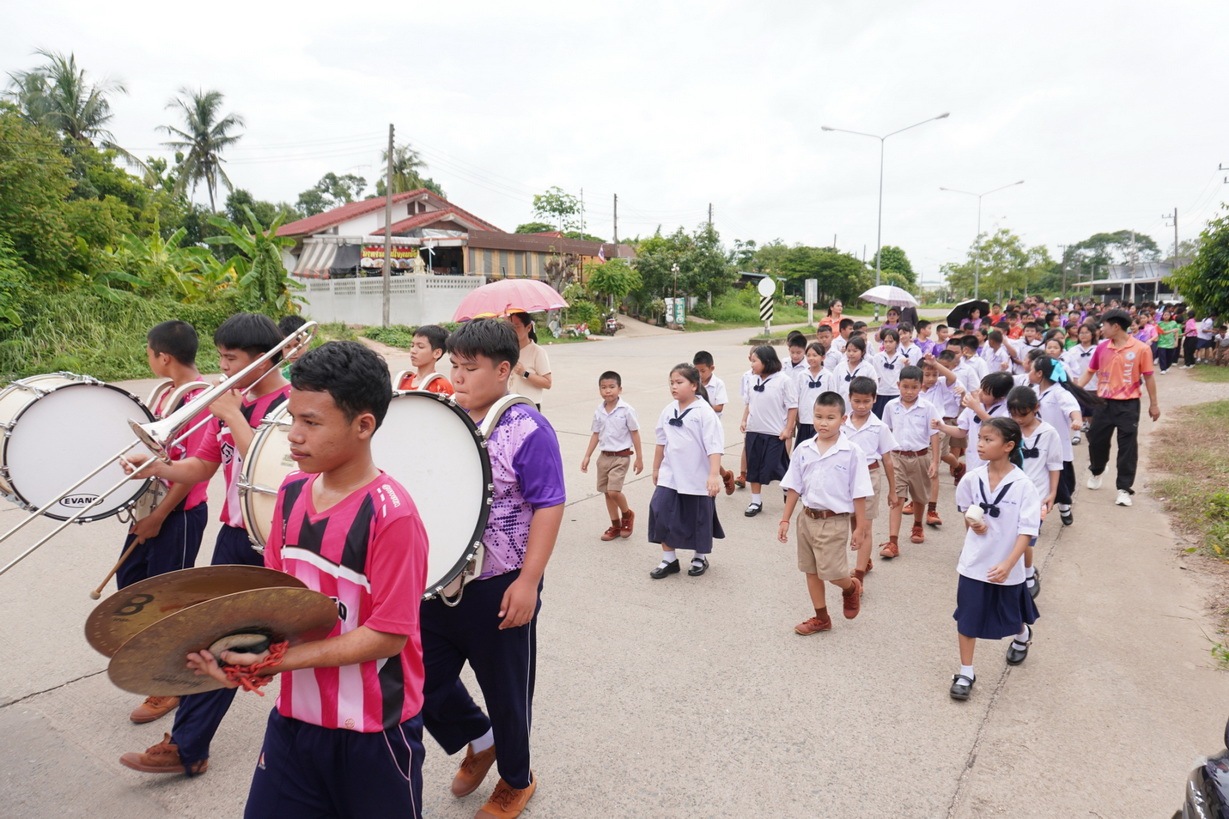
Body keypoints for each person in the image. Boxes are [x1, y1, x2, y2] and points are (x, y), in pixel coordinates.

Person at [184, 341, 430, 818]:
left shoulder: (392, 516)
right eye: (292, 418)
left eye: (311, 423)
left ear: (364, 425)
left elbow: (388, 636)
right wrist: (239, 659)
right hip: (294, 722)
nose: (293, 435)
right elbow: (278, 604)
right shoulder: (291, 492)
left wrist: (279, 662)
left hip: (375, 732)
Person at [119, 313, 292, 776]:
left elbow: (273, 476)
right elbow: (201, 467)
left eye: (231, 359)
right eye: (220, 357)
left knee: (239, 641)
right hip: (233, 536)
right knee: (211, 637)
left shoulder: (291, 405)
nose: (223, 368)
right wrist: (155, 467)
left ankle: (188, 745)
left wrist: (233, 415)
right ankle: (188, 745)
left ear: (261, 360)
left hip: (271, 542)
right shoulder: (233, 404)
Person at [422, 319, 565, 818]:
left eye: (470, 368)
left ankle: (516, 780)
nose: (458, 377)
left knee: (507, 692)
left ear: (504, 370)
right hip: (437, 582)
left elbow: (549, 504)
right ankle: (479, 739)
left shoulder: (528, 428)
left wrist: (528, 582)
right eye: (454, 366)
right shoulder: (444, 418)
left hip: (500, 584)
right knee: (419, 682)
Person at [120, 320, 212, 726]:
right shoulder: (166, 394)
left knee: (168, 603)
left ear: (163, 356)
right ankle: (155, 664)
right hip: (151, 508)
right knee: (132, 588)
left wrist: (159, 517)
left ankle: (171, 684)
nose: (148, 358)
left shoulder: (199, 400)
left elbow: (192, 470)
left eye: (148, 352)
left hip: (179, 513)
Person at [949, 417, 1040, 701]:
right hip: (974, 562)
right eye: (980, 438)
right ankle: (966, 672)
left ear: (1008, 446)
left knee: (1010, 616)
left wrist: (1009, 564)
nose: (980, 444)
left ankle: (1022, 634)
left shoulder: (1023, 485)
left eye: (988, 440)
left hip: (1006, 564)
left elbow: (1027, 531)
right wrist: (973, 524)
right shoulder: (972, 478)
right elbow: (966, 510)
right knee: (968, 616)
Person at [779, 391, 871, 635]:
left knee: (833, 573)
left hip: (833, 521)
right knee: (810, 570)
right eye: (818, 417)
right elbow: (794, 486)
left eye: (831, 417)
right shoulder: (804, 448)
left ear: (843, 419)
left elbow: (859, 493)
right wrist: (785, 519)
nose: (823, 423)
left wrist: (860, 528)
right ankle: (821, 618)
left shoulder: (852, 452)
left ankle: (850, 587)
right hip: (806, 518)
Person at [1076, 308, 1160, 507]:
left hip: (1128, 405)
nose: (1101, 329)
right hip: (1103, 403)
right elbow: (1090, 371)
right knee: (1096, 440)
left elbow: (1149, 377)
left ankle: (1124, 488)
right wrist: (1074, 391)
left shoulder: (1141, 349)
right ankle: (1097, 469)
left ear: (1115, 327)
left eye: (1103, 325)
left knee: (1127, 447)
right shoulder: (1102, 347)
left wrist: (1154, 404)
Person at [648, 363, 725, 579]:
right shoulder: (668, 410)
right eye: (671, 382)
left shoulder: (704, 412)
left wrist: (713, 475)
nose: (673, 386)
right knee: (660, 510)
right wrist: (656, 468)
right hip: (670, 474)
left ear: (693, 385)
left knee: (697, 518)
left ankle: (699, 557)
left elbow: (714, 446)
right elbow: (661, 441)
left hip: (697, 476)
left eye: (679, 382)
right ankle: (669, 559)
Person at [1031, 356, 1102, 525]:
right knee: (1036, 482)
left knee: (1062, 485)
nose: (1029, 372)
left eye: (1032, 369)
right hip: (1035, 446)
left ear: (1040, 373)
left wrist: (1076, 419)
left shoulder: (1060, 393)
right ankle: (1035, 520)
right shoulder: (1032, 392)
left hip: (1058, 450)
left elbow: (1072, 408)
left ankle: (1064, 507)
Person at [879, 366, 941, 559]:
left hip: (920, 457)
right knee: (896, 499)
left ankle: (917, 524)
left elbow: (934, 435)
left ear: (921, 387)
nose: (909, 391)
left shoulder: (928, 408)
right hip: (897, 457)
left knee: (920, 496)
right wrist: (884, 456)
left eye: (914, 387)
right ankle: (893, 542)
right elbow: (885, 431)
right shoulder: (891, 406)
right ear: (898, 385)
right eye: (905, 387)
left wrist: (935, 461)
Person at [1006, 386, 1060, 599]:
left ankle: (1028, 574)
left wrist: (1053, 493)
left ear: (1036, 408)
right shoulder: (1009, 429)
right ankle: (1020, 569)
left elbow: (1054, 465)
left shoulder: (1049, 433)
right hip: (1010, 494)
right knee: (1011, 537)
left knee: (1026, 537)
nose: (1018, 419)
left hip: (1037, 496)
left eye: (1023, 414)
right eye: (1013, 415)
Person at [842, 377, 898, 582]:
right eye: (857, 401)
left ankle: (858, 578)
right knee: (854, 522)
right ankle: (864, 561)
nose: (861, 406)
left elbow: (888, 460)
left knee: (864, 527)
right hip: (845, 478)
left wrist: (893, 490)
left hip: (869, 477)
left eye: (866, 401)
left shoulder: (879, 427)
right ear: (849, 398)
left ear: (875, 399)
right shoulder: (841, 423)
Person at [580, 371, 644, 541]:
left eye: (611, 387)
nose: (607, 390)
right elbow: (596, 434)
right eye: (603, 387)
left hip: (621, 457)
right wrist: (587, 456)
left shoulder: (626, 410)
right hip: (604, 457)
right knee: (607, 493)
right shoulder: (599, 411)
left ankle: (627, 514)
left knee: (614, 491)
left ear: (619, 389)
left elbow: (635, 433)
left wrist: (639, 458)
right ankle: (615, 525)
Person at [740, 345, 798, 517]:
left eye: (754, 361)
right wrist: (744, 420)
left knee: (775, 466)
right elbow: (749, 403)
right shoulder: (752, 379)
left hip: (774, 433)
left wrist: (788, 429)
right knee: (754, 467)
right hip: (754, 431)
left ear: (766, 361)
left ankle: (787, 488)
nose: (752, 365)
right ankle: (755, 501)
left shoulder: (783, 381)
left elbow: (792, 406)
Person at [693, 350, 736, 494]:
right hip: (695, 424)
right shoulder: (693, 383)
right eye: (697, 371)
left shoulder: (718, 384)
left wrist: (703, 408)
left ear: (712, 368)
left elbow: (720, 406)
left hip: (712, 425)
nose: (700, 374)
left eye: (703, 371)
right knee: (702, 456)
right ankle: (725, 475)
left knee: (710, 455)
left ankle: (724, 476)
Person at [507, 312, 552, 410]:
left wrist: (524, 373)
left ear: (528, 328)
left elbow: (547, 383)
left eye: (517, 326)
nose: (513, 331)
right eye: (511, 327)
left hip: (529, 406)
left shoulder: (537, 352)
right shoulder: (508, 351)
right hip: (510, 404)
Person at [794, 342, 833, 446]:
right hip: (805, 418)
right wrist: (796, 415)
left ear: (823, 357)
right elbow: (796, 396)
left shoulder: (828, 376)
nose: (811, 358)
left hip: (822, 419)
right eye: (808, 355)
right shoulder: (802, 375)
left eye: (815, 355)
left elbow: (832, 397)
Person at [398, 324, 455, 394]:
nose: (413, 351)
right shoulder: (403, 380)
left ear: (437, 353)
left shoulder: (442, 386)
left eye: (420, 346)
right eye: (412, 345)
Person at [831, 335, 876, 403]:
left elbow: (874, 388)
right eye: (848, 351)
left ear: (863, 352)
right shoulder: (839, 368)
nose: (851, 354)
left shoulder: (868, 368)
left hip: (861, 405)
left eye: (855, 351)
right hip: (842, 404)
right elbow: (834, 387)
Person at [871, 328, 904, 418]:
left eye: (891, 341)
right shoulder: (877, 357)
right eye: (885, 342)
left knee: (895, 418)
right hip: (881, 393)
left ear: (897, 342)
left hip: (895, 393)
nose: (888, 344)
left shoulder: (901, 358)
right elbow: (875, 376)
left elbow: (902, 376)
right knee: (879, 417)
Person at [277, 315, 307, 380]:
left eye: (297, 346)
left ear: (307, 343)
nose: (293, 352)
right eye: (287, 347)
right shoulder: (284, 374)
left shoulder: (319, 369)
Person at [1155, 308, 1181, 374]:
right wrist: (1172, 330)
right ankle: (1163, 369)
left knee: (1170, 356)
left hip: (1170, 342)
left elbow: (1176, 332)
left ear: (1170, 316)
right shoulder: (1159, 323)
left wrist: (1176, 341)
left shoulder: (1173, 323)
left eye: (1168, 315)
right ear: (1162, 316)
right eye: (1165, 315)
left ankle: (1167, 366)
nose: (1166, 316)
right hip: (1161, 342)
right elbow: (1161, 332)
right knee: (1162, 356)